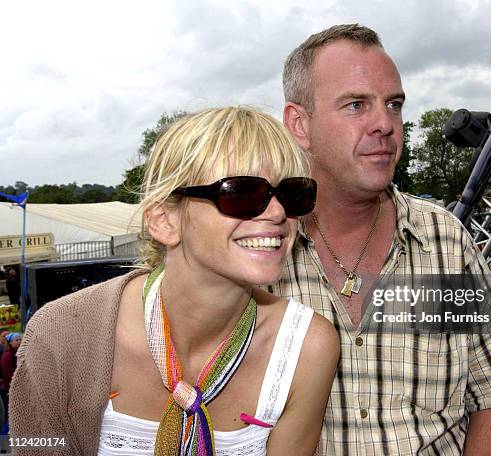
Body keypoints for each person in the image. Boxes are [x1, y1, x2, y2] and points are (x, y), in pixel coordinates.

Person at [9, 107, 339, 455]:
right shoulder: (60, 334)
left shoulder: (306, 348)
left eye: (292, 194)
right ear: (165, 220)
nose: (276, 213)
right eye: (241, 193)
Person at [274, 24, 491, 455]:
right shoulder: (261, 245)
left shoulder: (444, 241)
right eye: (356, 105)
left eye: (393, 104)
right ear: (299, 125)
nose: (384, 124)